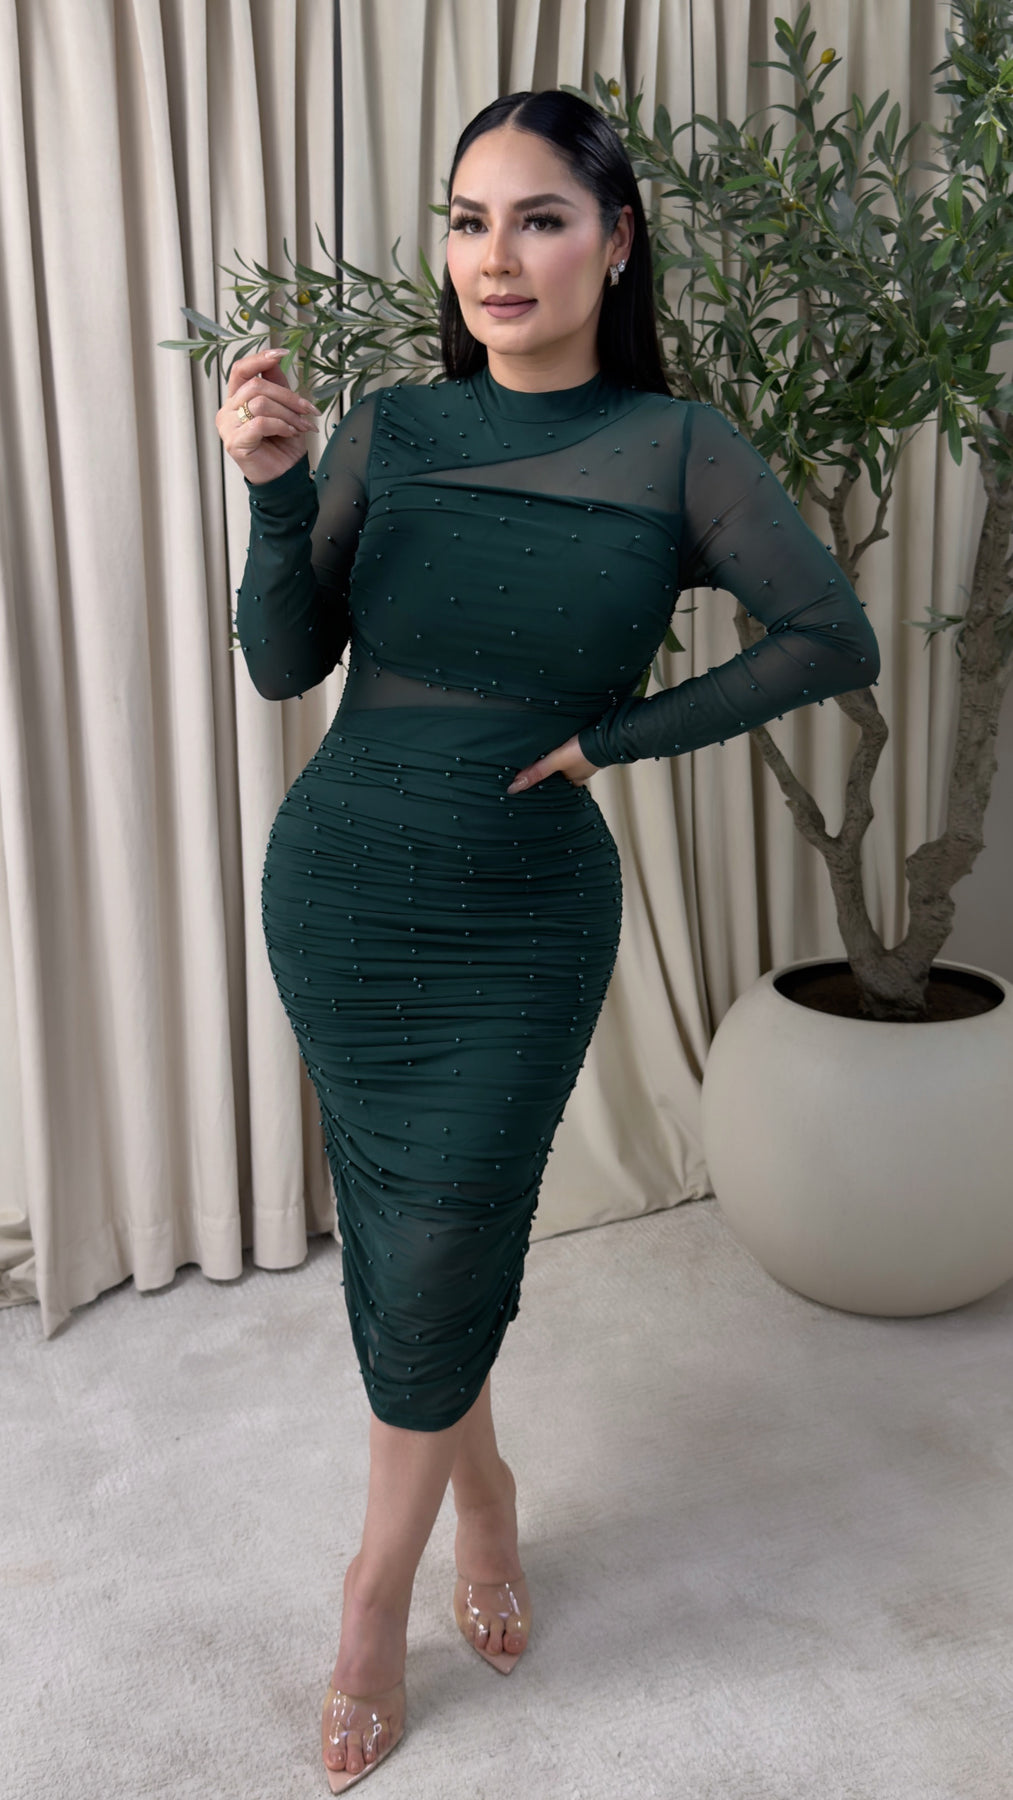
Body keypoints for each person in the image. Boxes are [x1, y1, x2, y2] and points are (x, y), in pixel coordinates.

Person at [216, 88, 881, 1792]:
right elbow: (285, 664)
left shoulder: (677, 446)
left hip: (522, 911)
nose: (493, 257)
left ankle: (372, 1589)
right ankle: (480, 1496)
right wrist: (278, 492)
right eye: (467, 221)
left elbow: (829, 636)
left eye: (536, 218)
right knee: (417, 1241)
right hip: (345, 887)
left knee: (445, 1233)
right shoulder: (392, 426)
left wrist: (613, 739)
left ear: (614, 240)